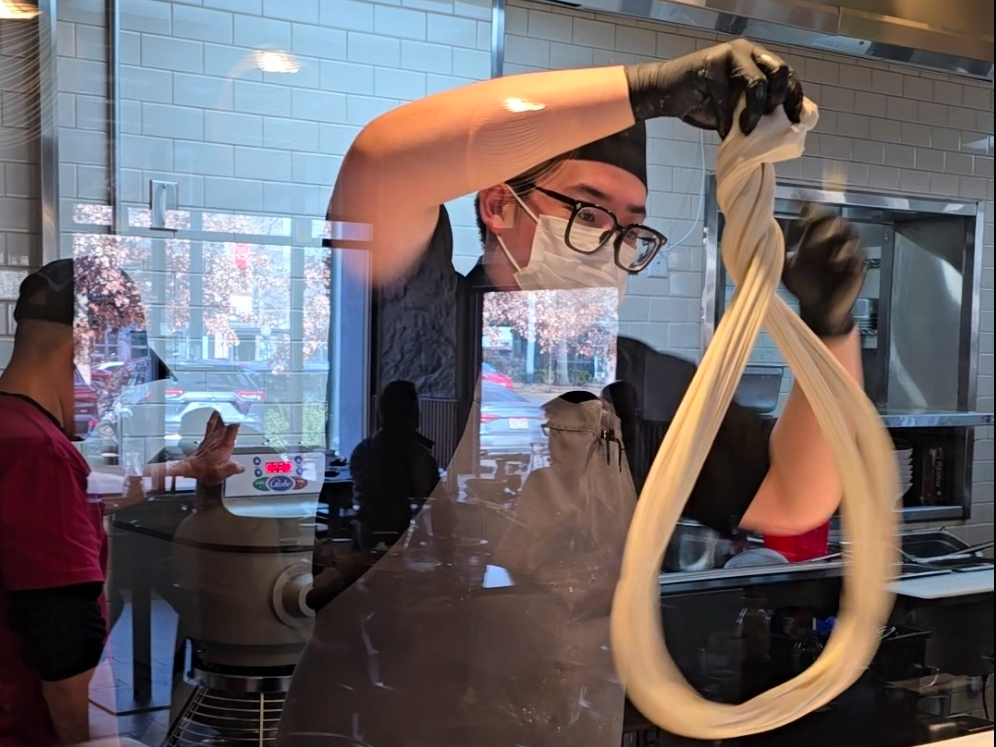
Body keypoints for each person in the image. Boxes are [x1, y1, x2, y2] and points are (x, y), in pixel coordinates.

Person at [279, 40, 865, 746]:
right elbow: (382, 163)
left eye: (631, 226)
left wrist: (831, 330)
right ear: (498, 203)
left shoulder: (628, 380)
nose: (613, 243)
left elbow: (794, 494)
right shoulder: (421, 322)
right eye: (588, 211)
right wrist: (646, 88)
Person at [0, 257, 243, 747]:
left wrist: (185, 469)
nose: (115, 400)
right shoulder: (40, 452)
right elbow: (64, 642)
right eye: (118, 376)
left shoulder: (15, 431)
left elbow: (88, 488)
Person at [349, 380, 440, 555]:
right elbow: (439, 509)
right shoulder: (418, 456)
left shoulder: (362, 450)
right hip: (406, 545)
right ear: (413, 414)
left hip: (364, 543)